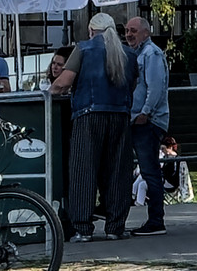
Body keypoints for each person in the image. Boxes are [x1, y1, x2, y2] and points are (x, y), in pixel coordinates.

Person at [52, 13, 139, 242]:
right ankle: (115, 227)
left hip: (88, 115)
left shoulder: (83, 49)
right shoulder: (129, 54)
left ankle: (82, 228)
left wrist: (49, 93)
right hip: (120, 115)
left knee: (83, 171)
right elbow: (133, 84)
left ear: (91, 30)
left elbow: (63, 82)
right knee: (118, 172)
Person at [125, 17, 171, 237]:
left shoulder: (151, 54)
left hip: (148, 121)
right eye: (126, 31)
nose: (128, 34)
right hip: (138, 119)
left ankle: (156, 221)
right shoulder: (137, 54)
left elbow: (156, 86)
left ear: (145, 32)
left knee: (149, 171)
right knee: (145, 170)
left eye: (133, 30)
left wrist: (145, 113)